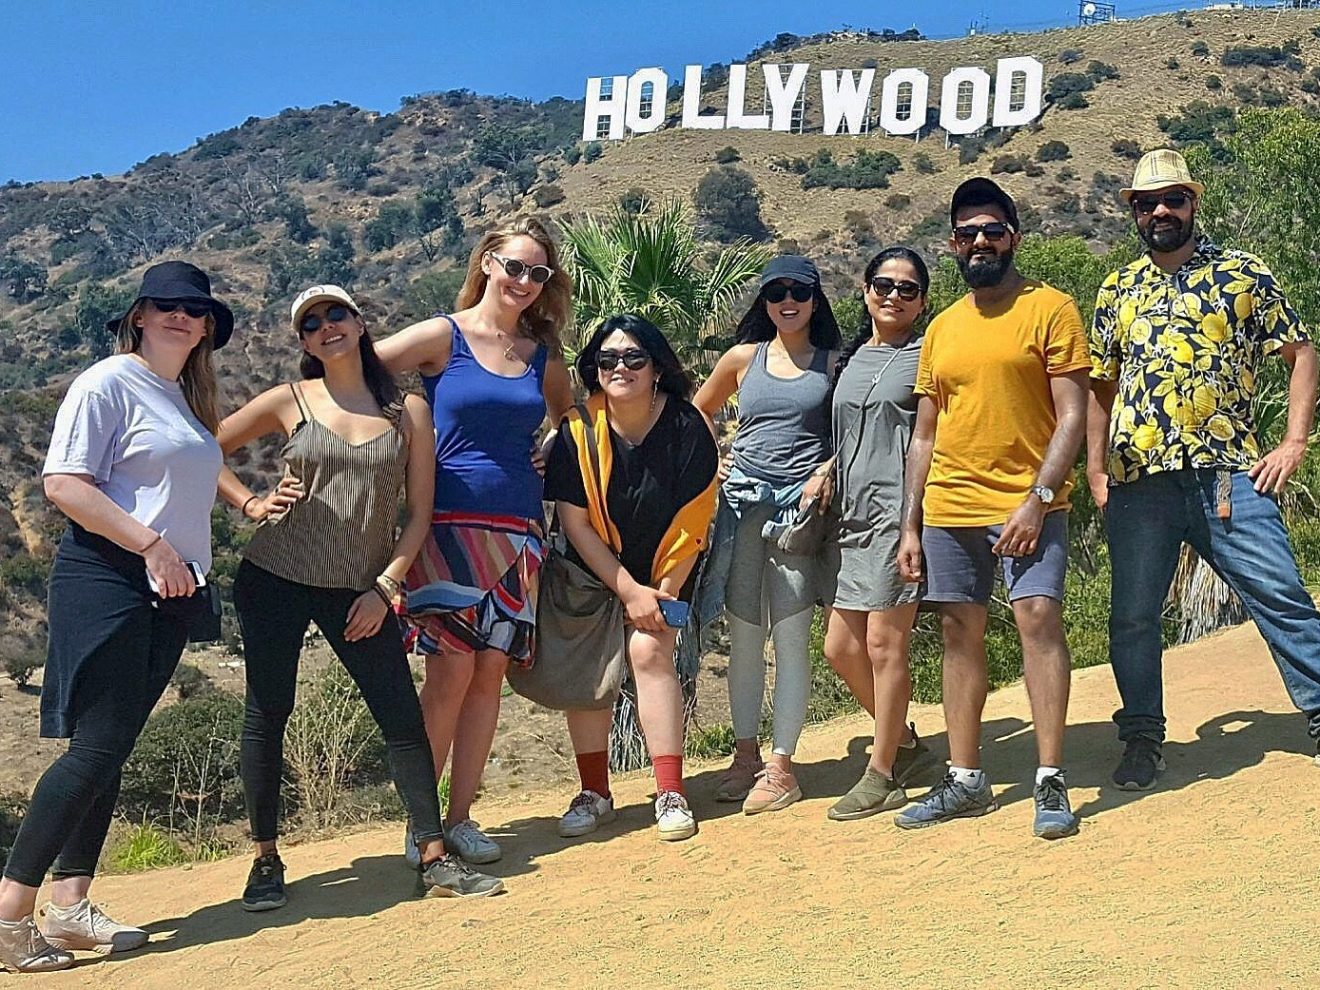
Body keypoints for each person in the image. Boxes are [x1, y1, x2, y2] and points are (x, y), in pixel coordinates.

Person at [216, 284, 504, 907]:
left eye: (335, 314)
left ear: (359, 321)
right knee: (268, 714)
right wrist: (249, 502)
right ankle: (265, 859)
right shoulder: (288, 400)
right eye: (311, 323)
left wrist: (385, 587)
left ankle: (432, 855)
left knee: (399, 715)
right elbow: (205, 449)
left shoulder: (407, 412)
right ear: (304, 343)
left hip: (359, 590)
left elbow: (419, 515)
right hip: (275, 577)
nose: (326, 327)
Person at [0, 263, 229, 973]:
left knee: (112, 747)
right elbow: (64, 484)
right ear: (137, 313)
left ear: (208, 327)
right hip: (112, 579)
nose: (181, 316)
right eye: (166, 304)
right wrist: (153, 546)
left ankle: (69, 910)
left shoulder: (180, 397)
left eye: (195, 309)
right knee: (95, 751)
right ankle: (9, 920)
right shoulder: (107, 382)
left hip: (169, 591)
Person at [1087, 148, 1320, 789]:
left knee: (1282, 598)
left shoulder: (1243, 275)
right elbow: (1100, 388)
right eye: (1146, 202)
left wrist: (1294, 442)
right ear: (1132, 212)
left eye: (1172, 199)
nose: (1160, 211)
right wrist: (1095, 469)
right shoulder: (1118, 288)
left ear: (1194, 202)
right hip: (1140, 483)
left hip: (1229, 477)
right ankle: (1141, 738)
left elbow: (1302, 352)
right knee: (1133, 616)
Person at [895, 178, 1090, 839]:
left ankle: (1050, 780)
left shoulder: (1052, 309)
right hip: (950, 504)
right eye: (967, 233)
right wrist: (910, 523)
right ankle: (966, 780)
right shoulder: (942, 328)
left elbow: (1072, 417)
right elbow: (925, 433)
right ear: (953, 245)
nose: (980, 242)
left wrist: (1038, 499)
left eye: (993, 231)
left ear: (1014, 238)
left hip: (1028, 504)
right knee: (958, 632)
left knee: (1038, 621)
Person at [376, 217, 574, 865]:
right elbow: (358, 368)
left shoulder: (541, 356)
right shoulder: (442, 335)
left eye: (537, 273)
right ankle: (421, 821)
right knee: (450, 671)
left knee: (490, 673)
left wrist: (552, 443)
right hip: (447, 528)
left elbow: (571, 415)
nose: (523, 281)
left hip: (520, 532)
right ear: (486, 262)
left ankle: (460, 818)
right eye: (513, 266)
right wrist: (396, 436)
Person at [545, 315, 718, 842]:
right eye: (608, 359)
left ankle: (670, 791)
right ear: (594, 371)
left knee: (649, 651)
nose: (621, 367)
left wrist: (658, 596)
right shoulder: (576, 433)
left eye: (634, 357)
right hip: (595, 567)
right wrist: (625, 588)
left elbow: (696, 519)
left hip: (670, 564)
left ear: (657, 367)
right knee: (592, 665)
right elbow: (574, 523)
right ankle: (595, 792)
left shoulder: (689, 427)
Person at [692, 256, 841, 815]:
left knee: (793, 636)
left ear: (814, 299)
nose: (787, 299)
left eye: (798, 290)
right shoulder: (742, 359)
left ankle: (783, 766)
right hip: (741, 509)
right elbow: (697, 412)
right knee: (746, 636)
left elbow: (849, 433)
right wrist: (715, 464)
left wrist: (826, 471)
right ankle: (746, 755)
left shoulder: (833, 364)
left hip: (800, 517)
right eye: (775, 291)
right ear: (763, 301)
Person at [821, 247, 941, 821]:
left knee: (883, 645)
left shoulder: (927, 357)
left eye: (907, 288)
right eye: (883, 284)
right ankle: (909, 746)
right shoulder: (853, 358)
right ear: (866, 291)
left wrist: (913, 523)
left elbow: (928, 440)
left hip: (898, 514)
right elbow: (845, 432)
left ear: (922, 301)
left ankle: (883, 771)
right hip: (848, 517)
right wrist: (825, 470)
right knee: (840, 648)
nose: (893, 296)